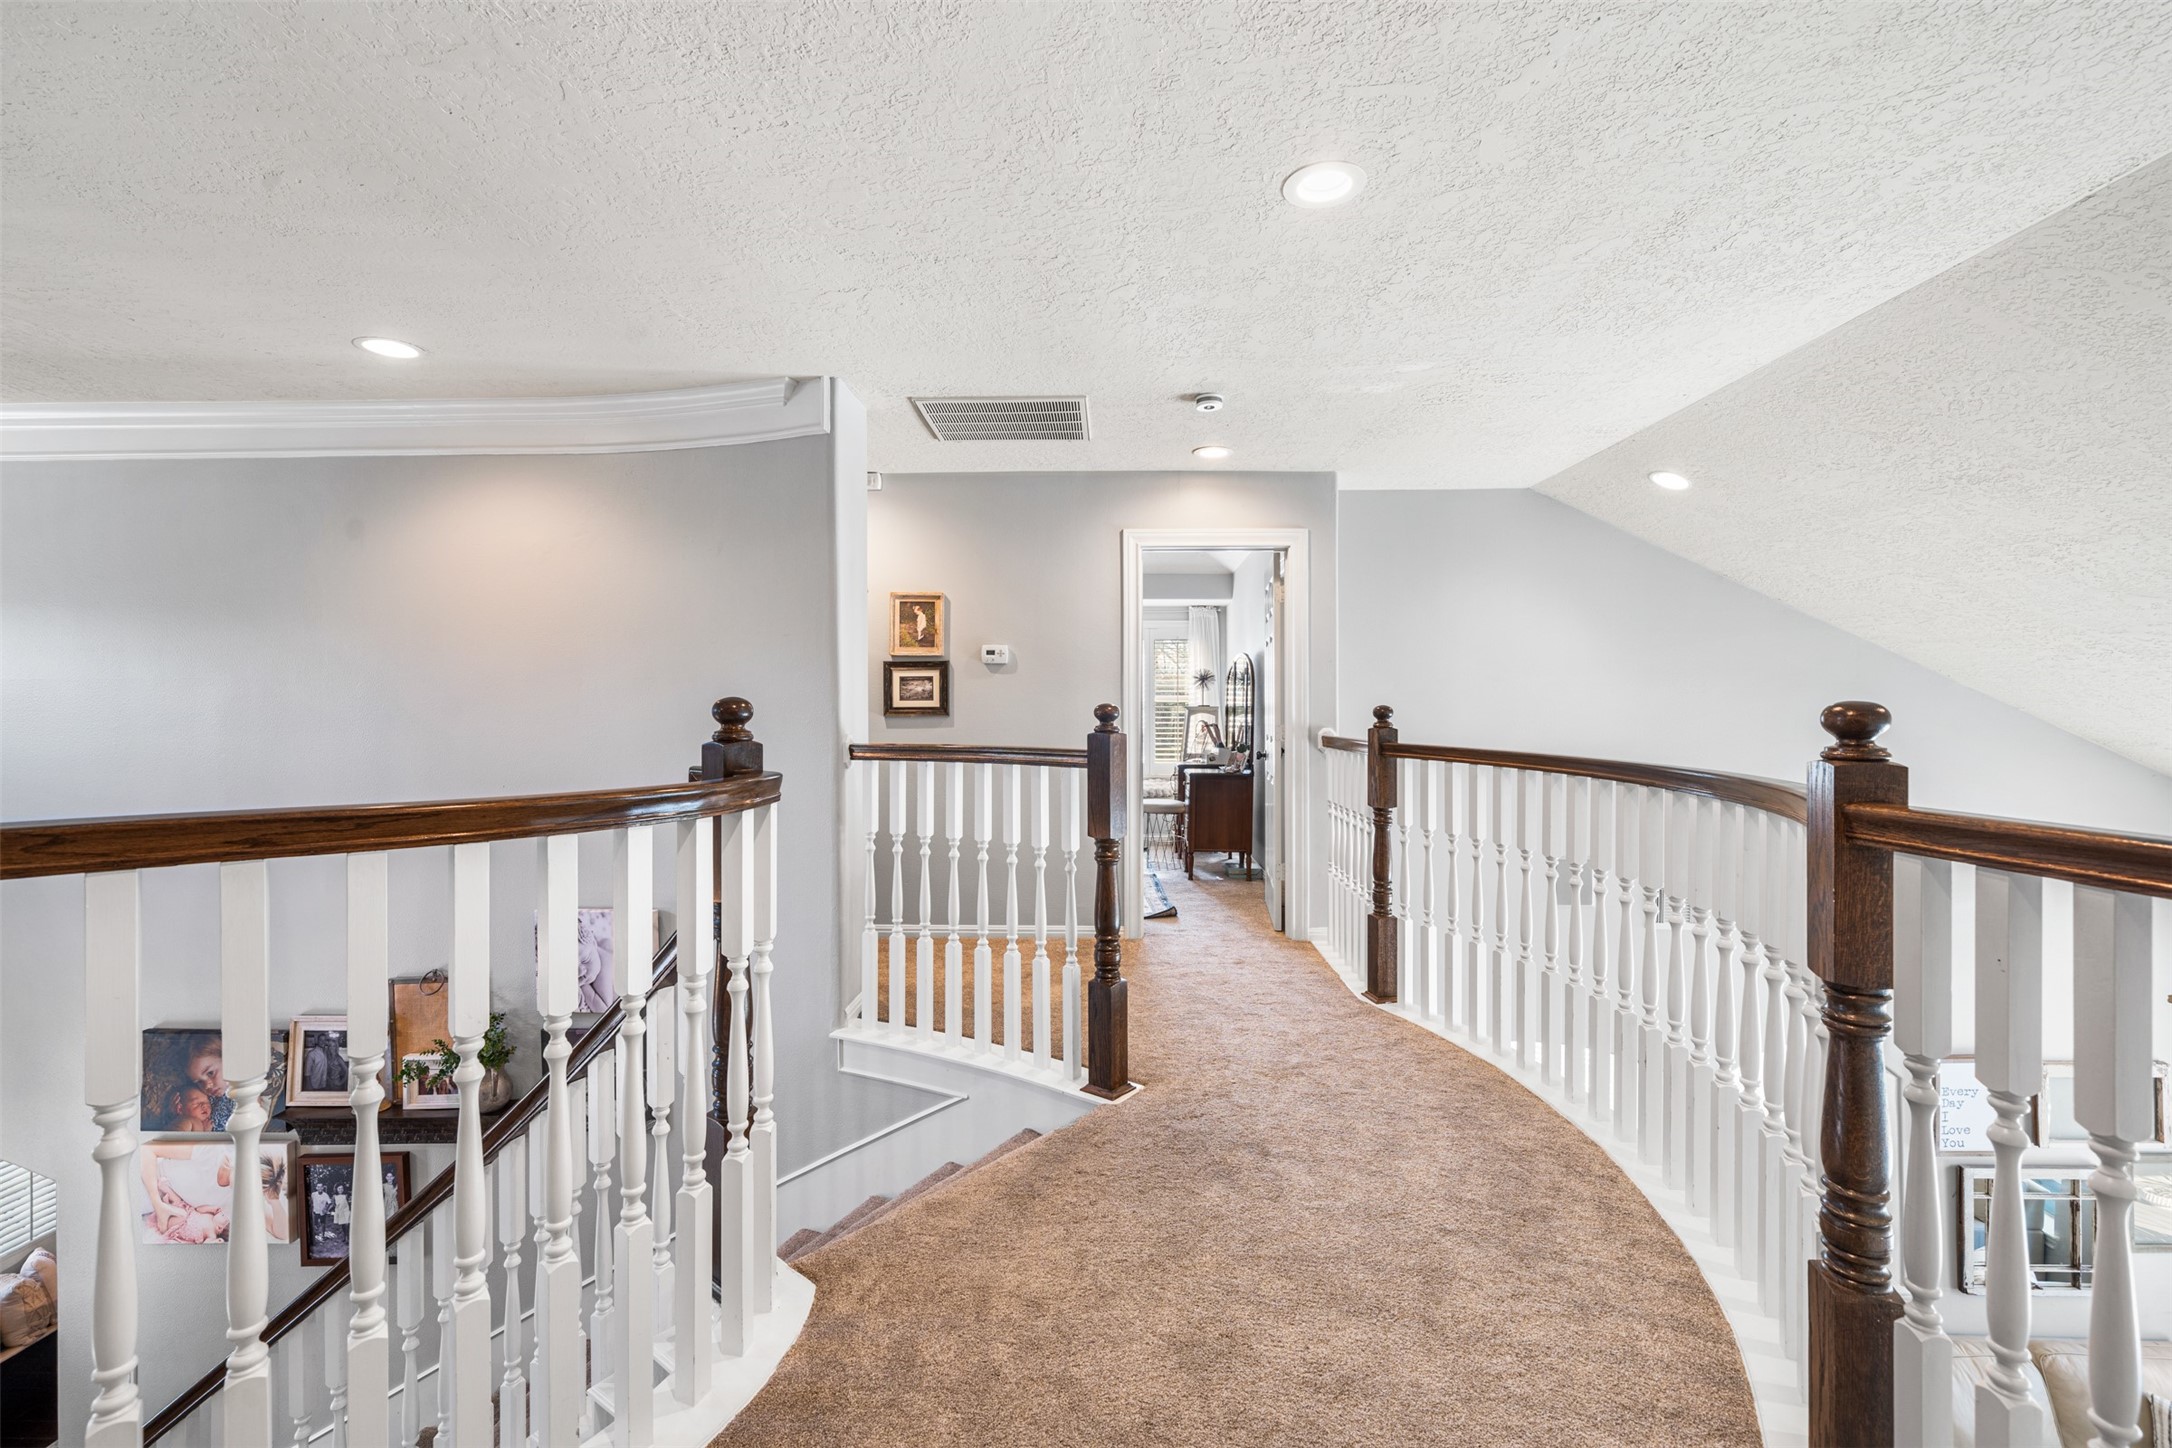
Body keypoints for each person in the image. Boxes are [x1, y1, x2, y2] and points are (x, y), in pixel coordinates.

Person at [141, 1141, 231, 1244]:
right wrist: (157, 1205)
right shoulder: (212, 1150)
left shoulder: (233, 1206)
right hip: (150, 1178)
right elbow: (147, 1149)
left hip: (171, 1212)